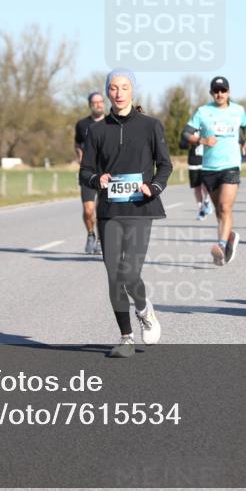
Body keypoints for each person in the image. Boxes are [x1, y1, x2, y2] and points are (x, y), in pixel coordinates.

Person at [80, 69, 171, 358]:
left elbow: (165, 166)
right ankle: (126, 337)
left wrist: (153, 187)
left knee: (129, 273)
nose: (119, 93)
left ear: (132, 91)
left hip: (140, 209)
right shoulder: (95, 131)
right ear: (107, 92)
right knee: (113, 276)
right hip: (109, 211)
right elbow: (85, 171)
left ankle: (144, 310)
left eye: (124, 87)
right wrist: (98, 180)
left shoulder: (150, 126)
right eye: (113, 88)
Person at [184, 76, 246, 265]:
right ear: (211, 93)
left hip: (231, 165)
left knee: (225, 207)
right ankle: (230, 237)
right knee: (219, 212)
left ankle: (221, 246)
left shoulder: (238, 110)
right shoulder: (203, 112)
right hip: (209, 168)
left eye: (223, 90)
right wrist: (202, 140)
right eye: (216, 90)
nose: (220, 94)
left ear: (228, 92)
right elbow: (186, 132)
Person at [74, 92, 106, 254]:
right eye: (95, 102)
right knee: (88, 210)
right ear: (90, 105)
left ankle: (101, 240)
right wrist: (79, 154)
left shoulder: (111, 123)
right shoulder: (82, 124)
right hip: (87, 172)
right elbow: (78, 143)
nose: (98, 105)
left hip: (106, 173)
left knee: (102, 211)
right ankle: (91, 234)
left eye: (101, 102)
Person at [180, 126, 213, 220]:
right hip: (193, 162)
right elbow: (182, 144)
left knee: (205, 185)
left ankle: (206, 201)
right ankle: (201, 210)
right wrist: (189, 142)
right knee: (197, 187)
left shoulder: (208, 128)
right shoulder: (189, 130)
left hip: (206, 161)